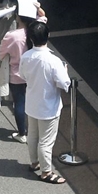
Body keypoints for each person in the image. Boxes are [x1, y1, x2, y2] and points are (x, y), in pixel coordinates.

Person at [20, 21, 71, 185]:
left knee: (33, 136)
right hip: (48, 108)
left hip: (32, 103)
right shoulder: (53, 60)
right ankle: (46, 172)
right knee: (46, 142)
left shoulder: (26, 56)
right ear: (47, 36)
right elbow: (64, 84)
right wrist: (65, 73)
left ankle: (34, 162)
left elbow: (22, 75)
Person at [0, 0, 41, 143]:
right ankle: (37, 131)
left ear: (18, 16)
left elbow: (1, 53)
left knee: (19, 103)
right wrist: (39, 10)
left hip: (16, 75)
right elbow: (44, 19)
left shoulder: (12, 36)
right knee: (34, 102)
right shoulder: (37, 30)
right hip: (34, 74)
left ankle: (22, 133)